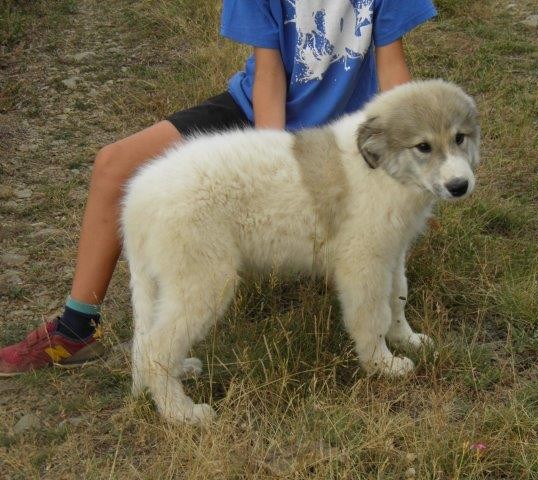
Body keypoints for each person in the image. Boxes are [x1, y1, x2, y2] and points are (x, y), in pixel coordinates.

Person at [0, 0, 437, 376]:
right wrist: (276, 162)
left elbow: (392, 67)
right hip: (261, 116)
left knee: (364, 251)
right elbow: (269, 73)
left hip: (346, 132)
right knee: (113, 167)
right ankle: (77, 329)